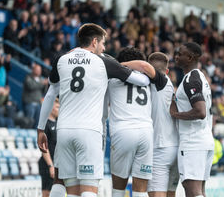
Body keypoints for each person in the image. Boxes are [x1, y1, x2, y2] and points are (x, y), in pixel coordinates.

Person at [37, 23, 158, 197]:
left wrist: (41, 128)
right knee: (89, 188)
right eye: (102, 44)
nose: (103, 48)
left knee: (68, 186)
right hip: (90, 131)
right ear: (94, 42)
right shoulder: (103, 61)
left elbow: (50, 95)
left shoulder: (61, 59)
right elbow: (144, 81)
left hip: (64, 130)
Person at [107, 48, 167, 197]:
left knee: (118, 190)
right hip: (146, 133)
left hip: (123, 131)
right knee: (140, 192)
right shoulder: (149, 80)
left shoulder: (112, 79)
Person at [170, 42, 214, 197]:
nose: (176, 56)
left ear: (189, 57)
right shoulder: (201, 77)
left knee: (193, 192)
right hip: (204, 138)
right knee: (200, 192)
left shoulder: (190, 80)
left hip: (193, 142)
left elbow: (200, 111)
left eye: (180, 54)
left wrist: (176, 115)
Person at [146, 52, 179, 197]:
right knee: (170, 193)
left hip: (160, 148)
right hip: (174, 147)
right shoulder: (168, 83)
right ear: (167, 70)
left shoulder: (161, 81)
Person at [39, 98, 64, 197]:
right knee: (47, 193)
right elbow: (44, 148)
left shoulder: (58, 123)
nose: (59, 109)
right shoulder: (45, 124)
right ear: (51, 107)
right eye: (57, 107)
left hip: (57, 163)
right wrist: (50, 165)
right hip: (47, 164)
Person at [22, 64, 48, 128]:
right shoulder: (28, 77)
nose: (39, 71)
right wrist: (42, 83)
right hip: (29, 103)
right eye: (37, 70)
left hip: (38, 103)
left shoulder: (40, 79)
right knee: (28, 121)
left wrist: (46, 85)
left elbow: (43, 91)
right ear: (33, 70)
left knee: (37, 122)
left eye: (40, 70)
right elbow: (31, 86)